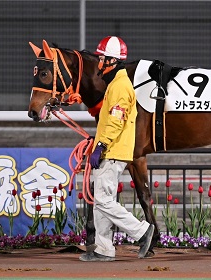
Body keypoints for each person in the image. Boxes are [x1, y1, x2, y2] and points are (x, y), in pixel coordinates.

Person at [79, 36, 154, 262]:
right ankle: (104, 249)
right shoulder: (116, 84)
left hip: (112, 152)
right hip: (109, 150)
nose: (99, 63)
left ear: (111, 61)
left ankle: (142, 231)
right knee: (102, 202)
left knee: (103, 201)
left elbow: (115, 121)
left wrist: (100, 146)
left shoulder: (120, 86)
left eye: (102, 58)